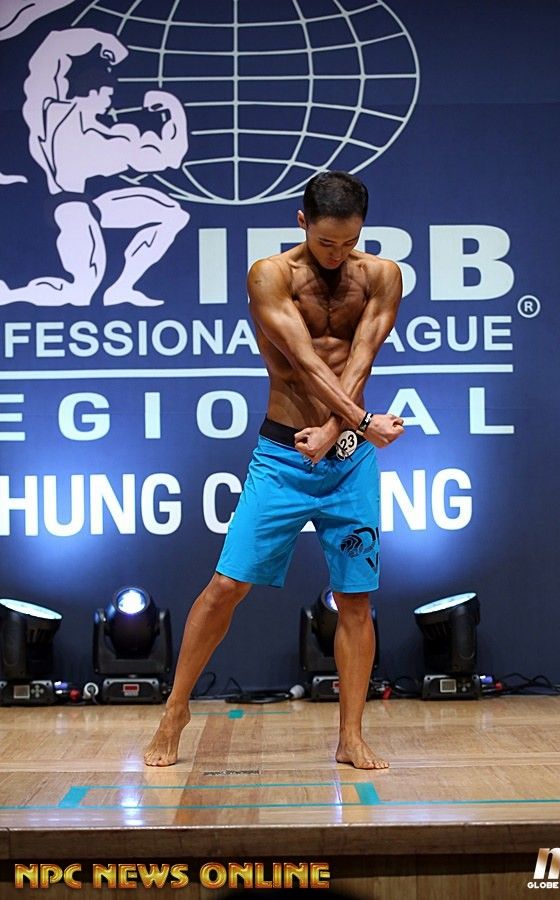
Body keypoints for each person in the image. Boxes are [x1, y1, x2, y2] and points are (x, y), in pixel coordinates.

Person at [144, 171, 404, 770]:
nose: (337, 254)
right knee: (227, 586)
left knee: (355, 599)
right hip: (283, 457)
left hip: (348, 460)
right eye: (326, 242)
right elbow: (305, 363)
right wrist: (363, 422)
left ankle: (350, 735)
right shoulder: (270, 275)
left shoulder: (382, 275)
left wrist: (338, 432)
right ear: (302, 222)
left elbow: (362, 358)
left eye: (350, 242)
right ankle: (175, 709)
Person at [0, 28, 189, 307]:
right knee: (81, 291)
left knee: (171, 214)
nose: (110, 102)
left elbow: (167, 157)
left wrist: (173, 111)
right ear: (94, 91)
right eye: (107, 95)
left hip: (93, 204)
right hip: (70, 208)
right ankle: (11, 295)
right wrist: (103, 42)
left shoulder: (107, 135)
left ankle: (122, 287)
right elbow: (50, 56)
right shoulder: (51, 116)